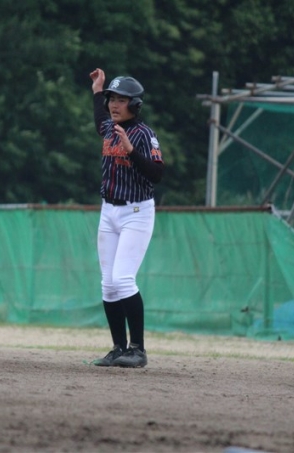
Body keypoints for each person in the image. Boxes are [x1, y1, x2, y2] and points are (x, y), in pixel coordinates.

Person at [88, 68, 164, 368]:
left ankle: (138, 350)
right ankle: (119, 348)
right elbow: (99, 120)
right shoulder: (110, 128)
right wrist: (98, 90)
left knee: (122, 279)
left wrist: (131, 151)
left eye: (121, 100)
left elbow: (156, 174)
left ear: (135, 104)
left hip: (136, 212)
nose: (114, 105)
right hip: (109, 211)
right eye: (112, 99)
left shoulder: (144, 134)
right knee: (108, 284)